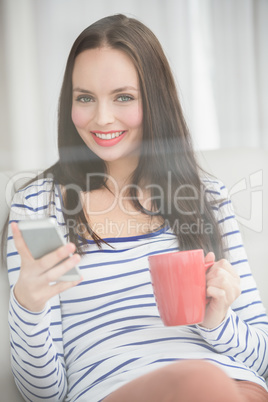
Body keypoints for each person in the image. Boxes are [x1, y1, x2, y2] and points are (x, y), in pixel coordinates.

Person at [6, 14, 268, 402]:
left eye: (123, 97)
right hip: (118, 391)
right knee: (199, 382)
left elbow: (262, 362)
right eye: (85, 98)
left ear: (156, 100)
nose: (102, 118)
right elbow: (41, 395)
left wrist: (218, 323)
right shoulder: (39, 206)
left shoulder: (207, 197)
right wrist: (28, 304)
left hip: (234, 387)